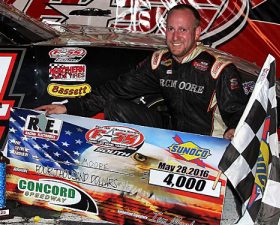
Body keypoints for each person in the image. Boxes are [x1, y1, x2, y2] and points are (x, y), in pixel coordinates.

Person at [36, 4, 247, 140]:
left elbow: (239, 111)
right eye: (171, 29)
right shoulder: (160, 61)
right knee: (115, 106)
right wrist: (71, 107)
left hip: (206, 142)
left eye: (183, 30)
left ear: (197, 33)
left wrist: (234, 129)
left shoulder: (219, 68)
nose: (175, 37)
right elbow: (116, 90)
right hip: (173, 133)